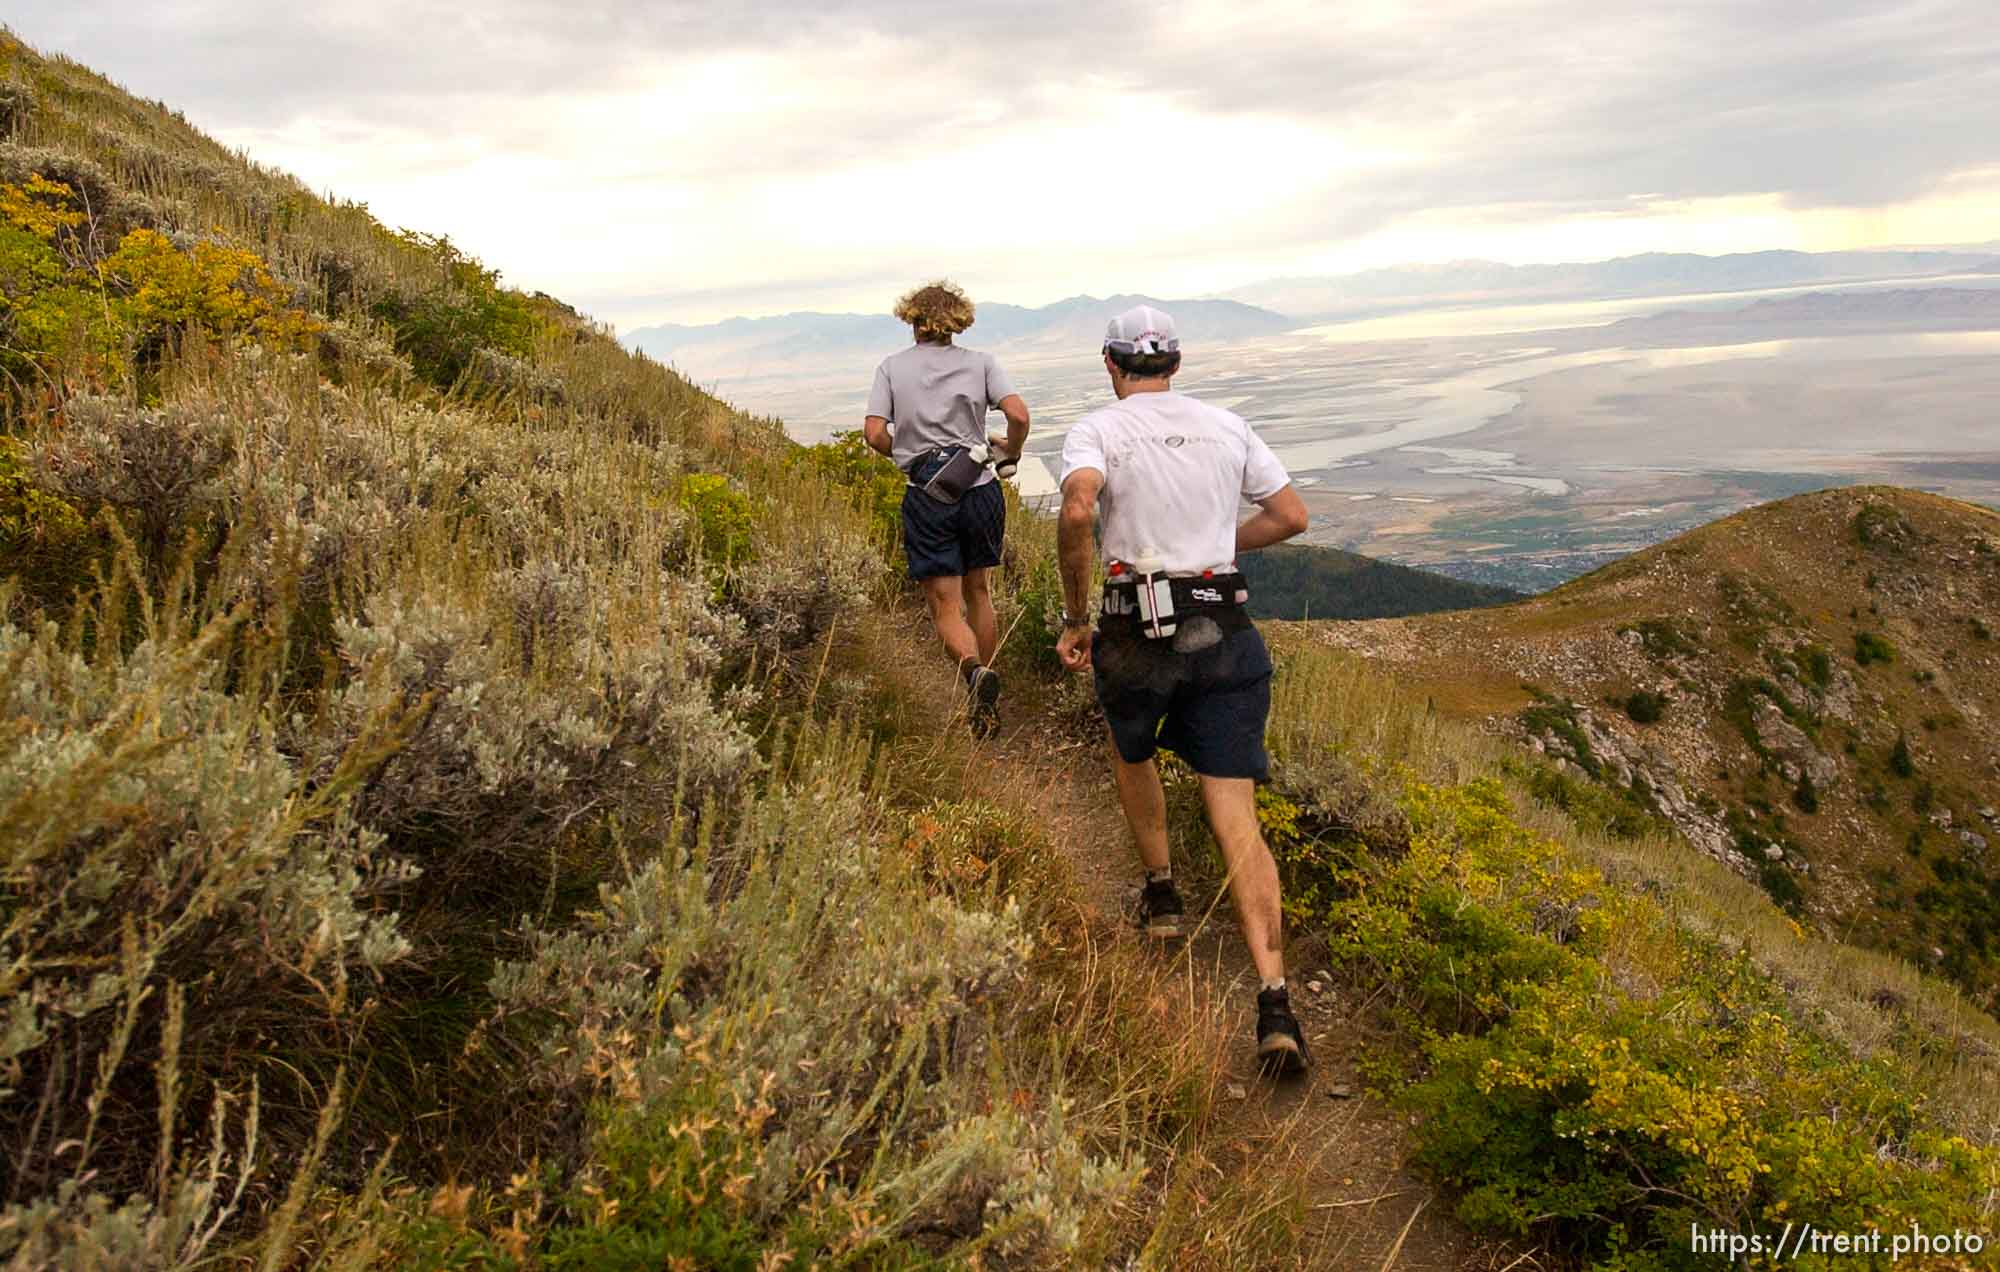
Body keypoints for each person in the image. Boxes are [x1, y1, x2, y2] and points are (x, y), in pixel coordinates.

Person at [1054, 303, 1314, 1075]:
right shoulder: (1228, 425)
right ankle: (1276, 1004)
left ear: (1111, 365)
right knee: (1238, 816)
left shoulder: (1096, 429)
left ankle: (1163, 895)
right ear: (1176, 364)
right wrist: (1214, 544)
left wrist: (1075, 618)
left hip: (1137, 631)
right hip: (1225, 631)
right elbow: (1292, 516)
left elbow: (1076, 509)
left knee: (1132, 752)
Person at [864, 280, 1031, 739]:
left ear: (912, 319)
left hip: (928, 494)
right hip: (979, 487)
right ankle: (988, 701)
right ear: (957, 321)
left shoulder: (892, 369)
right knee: (980, 592)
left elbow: (875, 432)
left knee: (944, 604)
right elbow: (1018, 415)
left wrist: (911, 454)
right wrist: (1010, 454)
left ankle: (976, 674)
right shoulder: (981, 363)